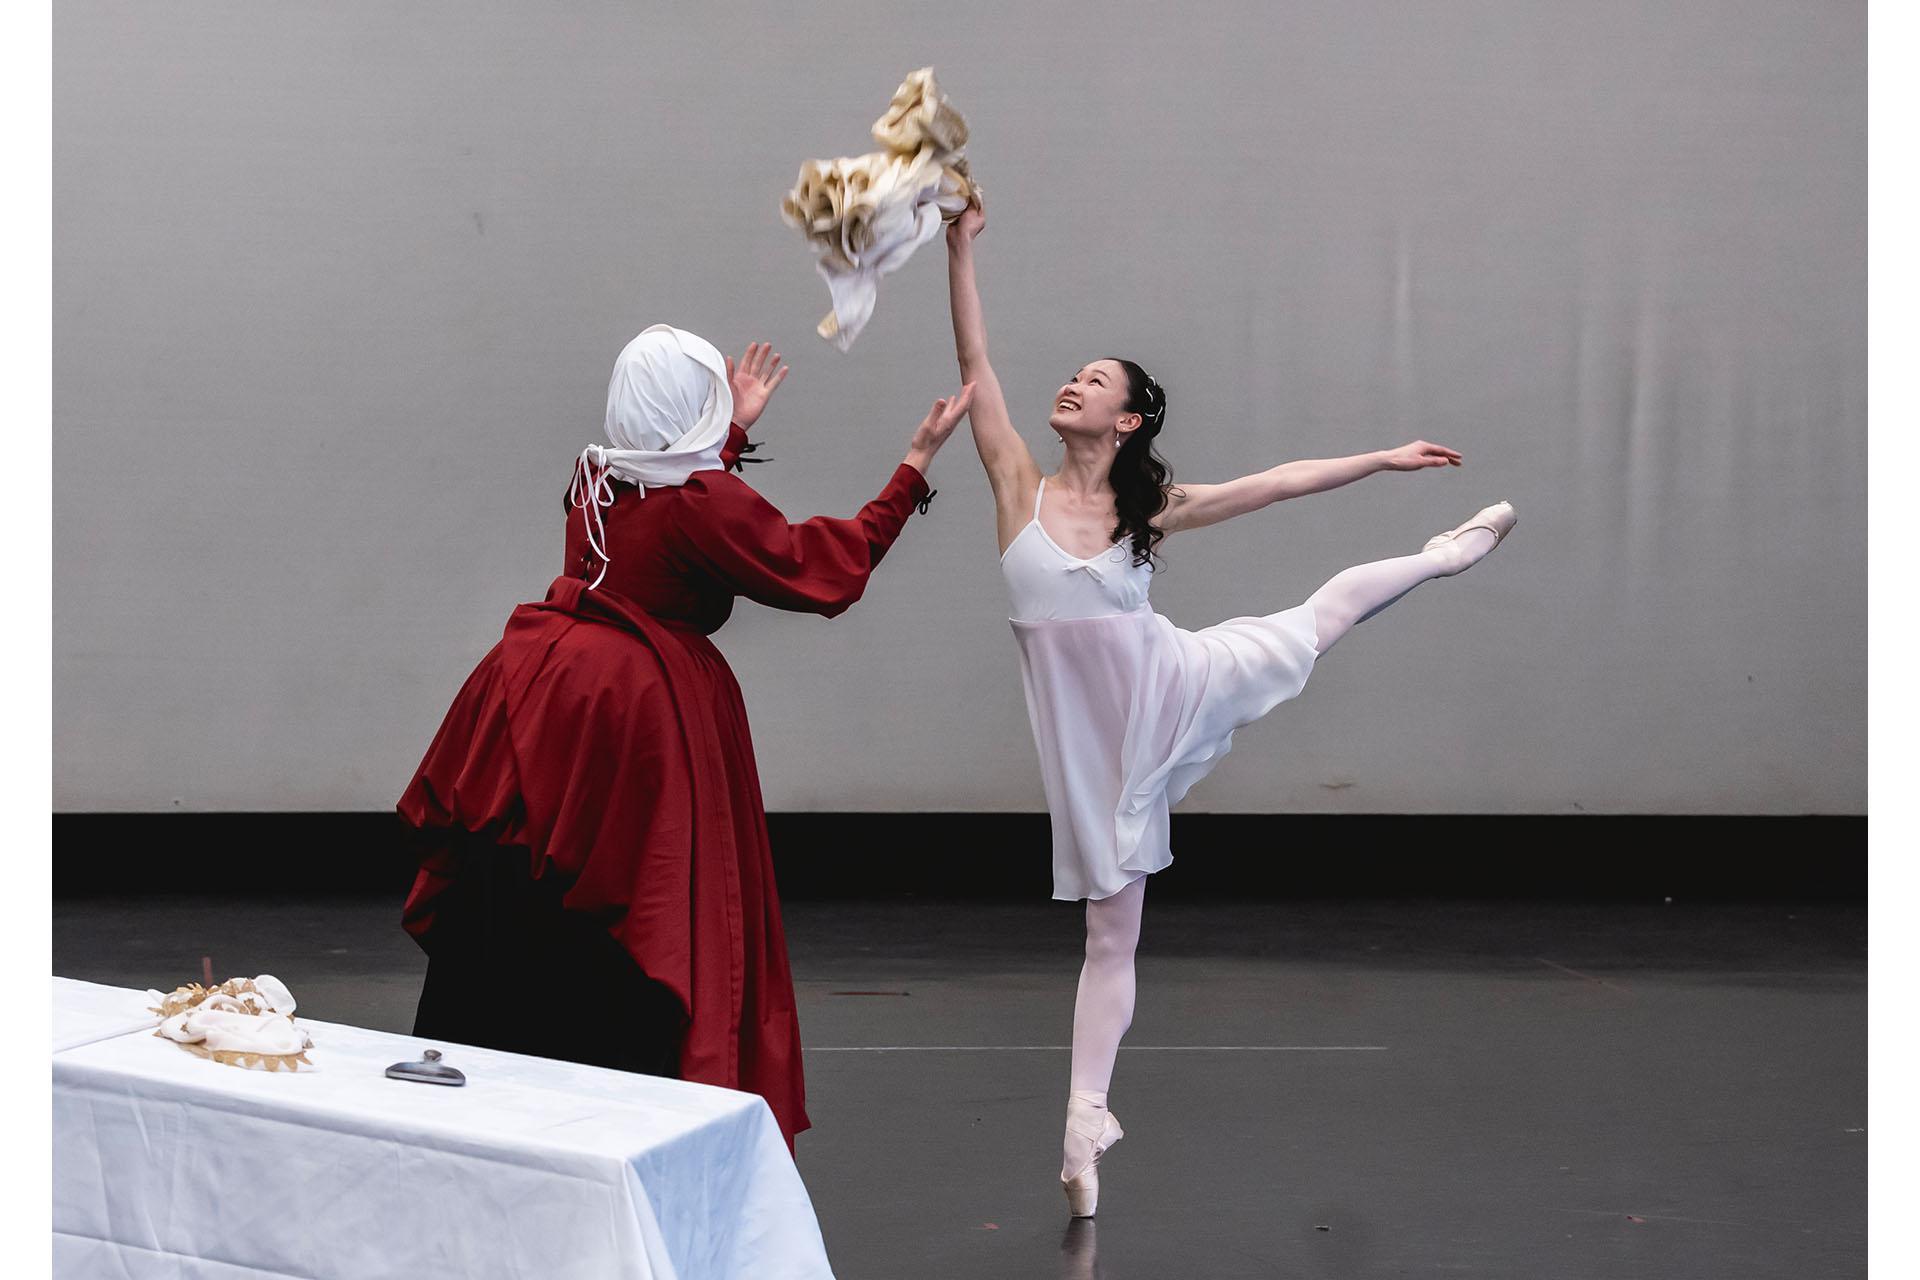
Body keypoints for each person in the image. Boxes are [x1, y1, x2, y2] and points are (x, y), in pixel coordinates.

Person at [943, 203, 1516, 1214]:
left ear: (1125, 421)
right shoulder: (1014, 487)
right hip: (1094, 753)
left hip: (1174, 685)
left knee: (1313, 621)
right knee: (1108, 939)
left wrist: (1379, 458)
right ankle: (1084, 1129)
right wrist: (959, 249)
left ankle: (1440, 555)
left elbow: (1275, 483)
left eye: (1097, 380)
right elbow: (977, 362)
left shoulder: (1145, 509)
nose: (1072, 382)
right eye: (1073, 372)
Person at [397, 324, 974, 1148]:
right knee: (644, 890)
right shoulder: (700, 500)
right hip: (637, 706)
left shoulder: (598, 478)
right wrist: (911, 470)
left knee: (529, 875)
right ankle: (621, 1073)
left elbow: (675, 495)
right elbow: (820, 568)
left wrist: (729, 431)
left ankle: (508, 1053)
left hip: (541, 685)